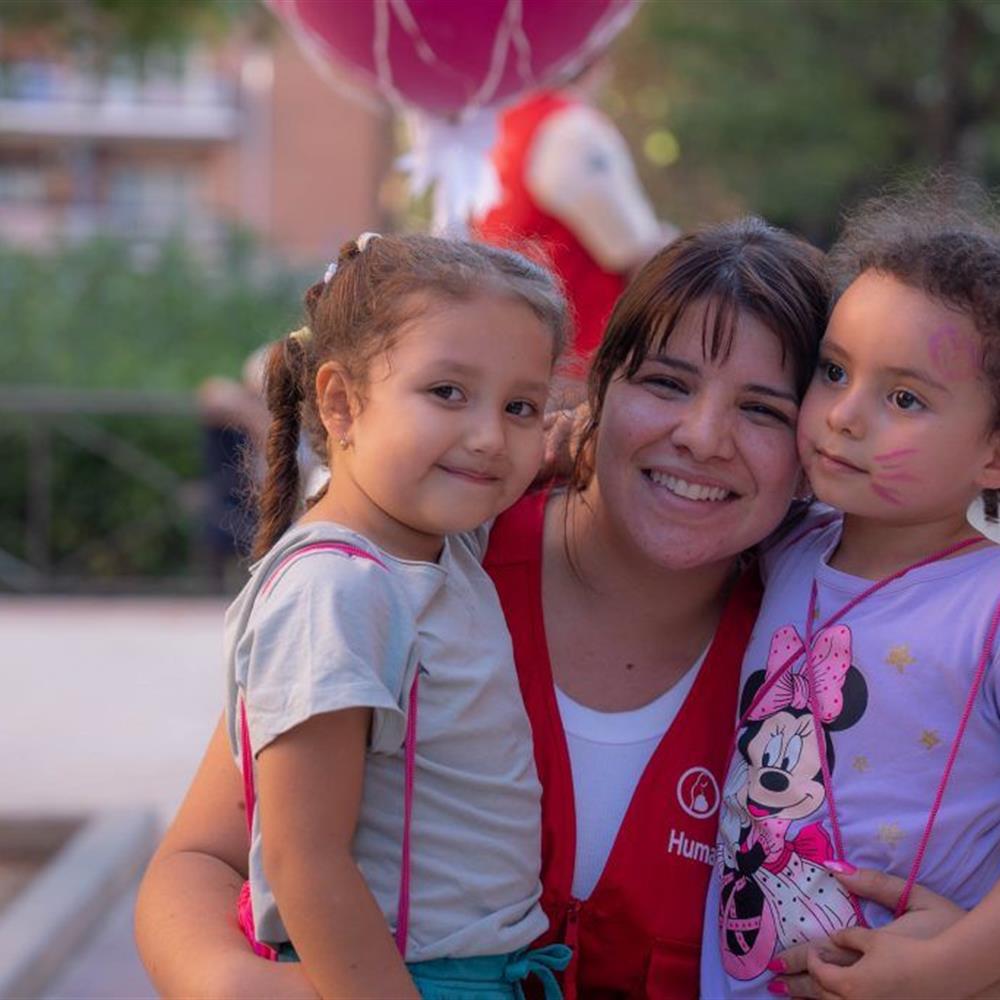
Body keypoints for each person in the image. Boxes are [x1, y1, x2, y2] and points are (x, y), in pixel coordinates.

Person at [135, 218, 829, 998]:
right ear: (599, 392)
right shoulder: (433, 557)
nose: (702, 438)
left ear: (817, 446)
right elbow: (205, 856)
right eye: (666, 383)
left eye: (763, 410)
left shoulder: (829, 648)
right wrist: (231, 985)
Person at [219, 231, 573, 998]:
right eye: (448, 392)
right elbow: (304, 861)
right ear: (342, 402)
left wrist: (568, 446)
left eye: (521, 405)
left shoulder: (434, 547)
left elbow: (525, 457)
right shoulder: (337, 590)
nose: (487, 438)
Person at [703, 179, 1000, 999]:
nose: (843, 415)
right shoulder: (785, 543)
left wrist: (939, 971)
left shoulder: (990, 603)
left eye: (905, 397)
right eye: (834, 371)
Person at [475, 59, 676, 364]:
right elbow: (639, 255)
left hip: (515, 347)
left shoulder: (502, 123)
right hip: (577, 360)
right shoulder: (572, 129)